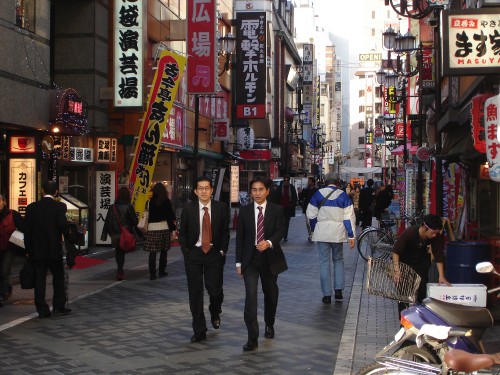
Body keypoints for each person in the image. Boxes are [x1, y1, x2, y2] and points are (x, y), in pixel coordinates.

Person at [236, 176, 287, 351]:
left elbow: (281, 230)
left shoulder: (277, 210)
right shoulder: (244, 211)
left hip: (270, 259)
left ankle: (269, 323)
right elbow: (240, 238)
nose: (257, 193)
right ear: (250, 192)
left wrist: (270, 242)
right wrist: (238, 263)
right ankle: (252, 337)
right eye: (254, 190)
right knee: (251, 297)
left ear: (267, 191)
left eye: (260, 189)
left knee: (271, 294)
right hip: (250, 260)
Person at [178, 177, 230, 343]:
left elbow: (225, 232)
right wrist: (186, 251)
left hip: (214, 253)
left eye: (207, 188)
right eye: (200, 188)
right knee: (195, 292)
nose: (204, 191)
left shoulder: (221, 208)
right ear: (195, 191)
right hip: (194, 253)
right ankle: (199, 330)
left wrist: (222, 250)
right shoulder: (188, 208)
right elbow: (183, 232)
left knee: (214, 290)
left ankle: (215, 310)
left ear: (212, 190)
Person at [306, 172, 356, 304]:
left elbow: (310, 214)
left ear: (326, 182)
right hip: (337, 233)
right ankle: (338, 290)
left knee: (324, 262)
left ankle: (326, 294)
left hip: (322, 232)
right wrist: (351, 236)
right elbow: (348, 217)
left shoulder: (317, 194)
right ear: (338, 182)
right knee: (338, 260)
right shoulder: (343, 196)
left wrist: (314, 229)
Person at [24, 180, 70, 318]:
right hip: (53, 249)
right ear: (56, 192)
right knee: (58, 277)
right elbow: (63, 225)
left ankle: (42, 310)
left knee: (39, 279)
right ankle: (58, 306)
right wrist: (69, 236)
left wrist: (27, 249)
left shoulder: (31, 208)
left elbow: (28, 231)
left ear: (42, 191)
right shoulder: (60, 207)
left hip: (37, 250)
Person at [392, 214, 450, 314]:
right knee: (404, 298)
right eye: (433, 233)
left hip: (421, 266)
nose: (434, 235)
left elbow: (439, 255)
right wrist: (397, 271)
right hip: (405, 266)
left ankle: (419, 322)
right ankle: (404, 324)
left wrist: (441, 275)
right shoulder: (410, 233)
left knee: (421, 295)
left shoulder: (435, 236)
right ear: (424, 227)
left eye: (436, 233)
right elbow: (396, 252)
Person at [101, 186, 138, 281]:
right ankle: (120, 270)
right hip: (125, 234)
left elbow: (107, 221)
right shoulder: (129, 207)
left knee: (119, 251)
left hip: (115, 234)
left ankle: (120, 270)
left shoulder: (112, 207)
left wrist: (104, 235)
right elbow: (135, 221)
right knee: (122, 251)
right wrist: (138, 234)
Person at [143, 182, 176, 280]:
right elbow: (170, 216)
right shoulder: (166, 201)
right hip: (164, 227)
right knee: (163, 251)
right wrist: (173, 230)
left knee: (152, 252)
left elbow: (147, 216)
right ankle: (161, 271)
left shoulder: (150, 201)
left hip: (152, 229)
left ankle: (152, 274)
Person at [0, 193, 25, 305]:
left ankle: (1, 295)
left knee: (4, 272)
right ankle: (6, 289)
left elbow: (23, 228)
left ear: (4, 202)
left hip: (8, 248)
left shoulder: (12, 214)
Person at [273, 175, 297, 242]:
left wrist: (292, 205)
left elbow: (294, 197)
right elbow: (276, 197)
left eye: (287, 180)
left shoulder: (291, 187)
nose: (286, 181)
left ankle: (285, 236)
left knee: (286, 222)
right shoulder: (280, 188)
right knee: (280, 223)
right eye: (285, 180)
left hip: (288, 208)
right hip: (281, 208)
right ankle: (280, 235)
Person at [298, 177, 318, 242]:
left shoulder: (316, 190)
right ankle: (310, 234)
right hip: (307, 208)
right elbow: (301, 198)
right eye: (308, 181)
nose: (308, 182)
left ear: (313, 182)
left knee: (314, 222)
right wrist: (299, 193)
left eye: (309, 181)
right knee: (307, 223)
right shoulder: (305, 190)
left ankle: (312, 235)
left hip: (315, 209)